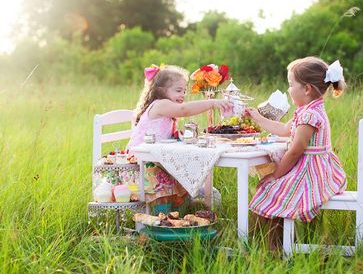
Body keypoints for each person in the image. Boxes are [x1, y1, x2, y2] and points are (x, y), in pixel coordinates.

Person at [245, 57, 347, 251]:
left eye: (291, 85)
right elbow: (284, 129)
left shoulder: (310, 115)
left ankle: (261, 244)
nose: (289, 89)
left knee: (270, 189)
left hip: (313, 172)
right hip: (312, 168)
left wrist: (275, 175)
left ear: (307, 88)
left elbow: (295, 150)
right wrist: (257, 117)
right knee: (273, 190)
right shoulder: (308, 110)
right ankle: (269, 242)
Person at [127, 65, 232, 213]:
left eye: (184, 91)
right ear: (161, 89)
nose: (182, 95)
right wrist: (213, 103)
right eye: (178, 90)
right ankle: (161, 218)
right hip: (141, 165)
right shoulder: (160, 104)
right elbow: (184, 110)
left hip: (155, 161)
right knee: (177, 183)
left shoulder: (166, 108)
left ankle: (183, 215)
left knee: (186, 179)